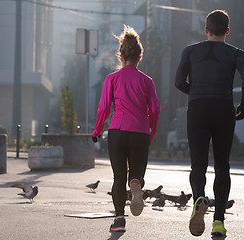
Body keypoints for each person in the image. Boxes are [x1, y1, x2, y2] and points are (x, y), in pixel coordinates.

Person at [175, 10, 244, 237]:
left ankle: (199, 196)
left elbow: (178, 81)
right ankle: (218, 222)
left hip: (198, 109)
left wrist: (196, 93)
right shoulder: (236, 53)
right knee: (222, 166)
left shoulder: (190, 51)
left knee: (197, 165)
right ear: (227, 31)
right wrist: (243, 105)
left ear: (206, 29)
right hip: (223, 109)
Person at [92, 25, 160, 232]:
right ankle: (137, 181)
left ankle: (119, 220)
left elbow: (104, 107)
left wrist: (97, 131)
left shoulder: (111, 79)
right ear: (140, 57)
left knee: (118, 178)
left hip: (117, 131)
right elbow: (155, 109)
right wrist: (151, 131)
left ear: (120, 56)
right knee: (135, 174)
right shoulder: (147, 81)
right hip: (140, 131)